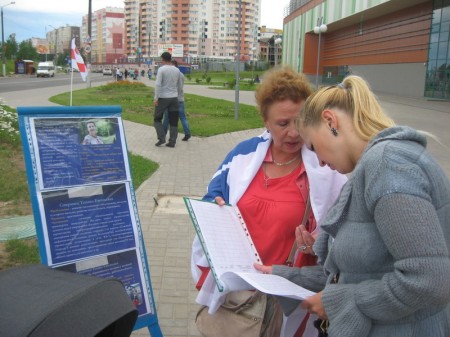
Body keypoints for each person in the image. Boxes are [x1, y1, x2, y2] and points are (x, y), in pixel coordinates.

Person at [256, 75, 450, 337]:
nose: (321, 163)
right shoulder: (372, 168)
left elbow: (429, 280)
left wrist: (339, 301)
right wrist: (282, 276)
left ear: (330, 121)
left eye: (313, 147)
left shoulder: (387, 166)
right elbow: (357, 274)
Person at [191, 66, 348, 337]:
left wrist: (318, 243)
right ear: (265, 121)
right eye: (282, 124)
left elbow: (342, 231)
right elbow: (210, 197)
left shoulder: (324, 166)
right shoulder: (242, 155)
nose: (293, 133)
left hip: (288, 293)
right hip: (241, 292)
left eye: (299, 122)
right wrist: (214, 205)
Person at [153, 52, 182, 148]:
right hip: (174, 98)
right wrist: (176, 95)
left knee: (157, 118)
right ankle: (172, 141)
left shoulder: (161, 69)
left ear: (163, 59)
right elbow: (179, 85)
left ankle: (161, 138)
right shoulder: (177, 70)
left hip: (163, 98)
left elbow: (158, 84)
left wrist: (156, 98)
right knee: (173, 120)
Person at [162, 60, 191, 141]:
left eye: (170, 65)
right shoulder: (181, 74)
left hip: (172, 99)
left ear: (173, 65)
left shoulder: (172, 75)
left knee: (167, 117)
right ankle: (187, 133)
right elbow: (181, 87)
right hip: (180, 99)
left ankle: (163, 134)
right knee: (183, 117)